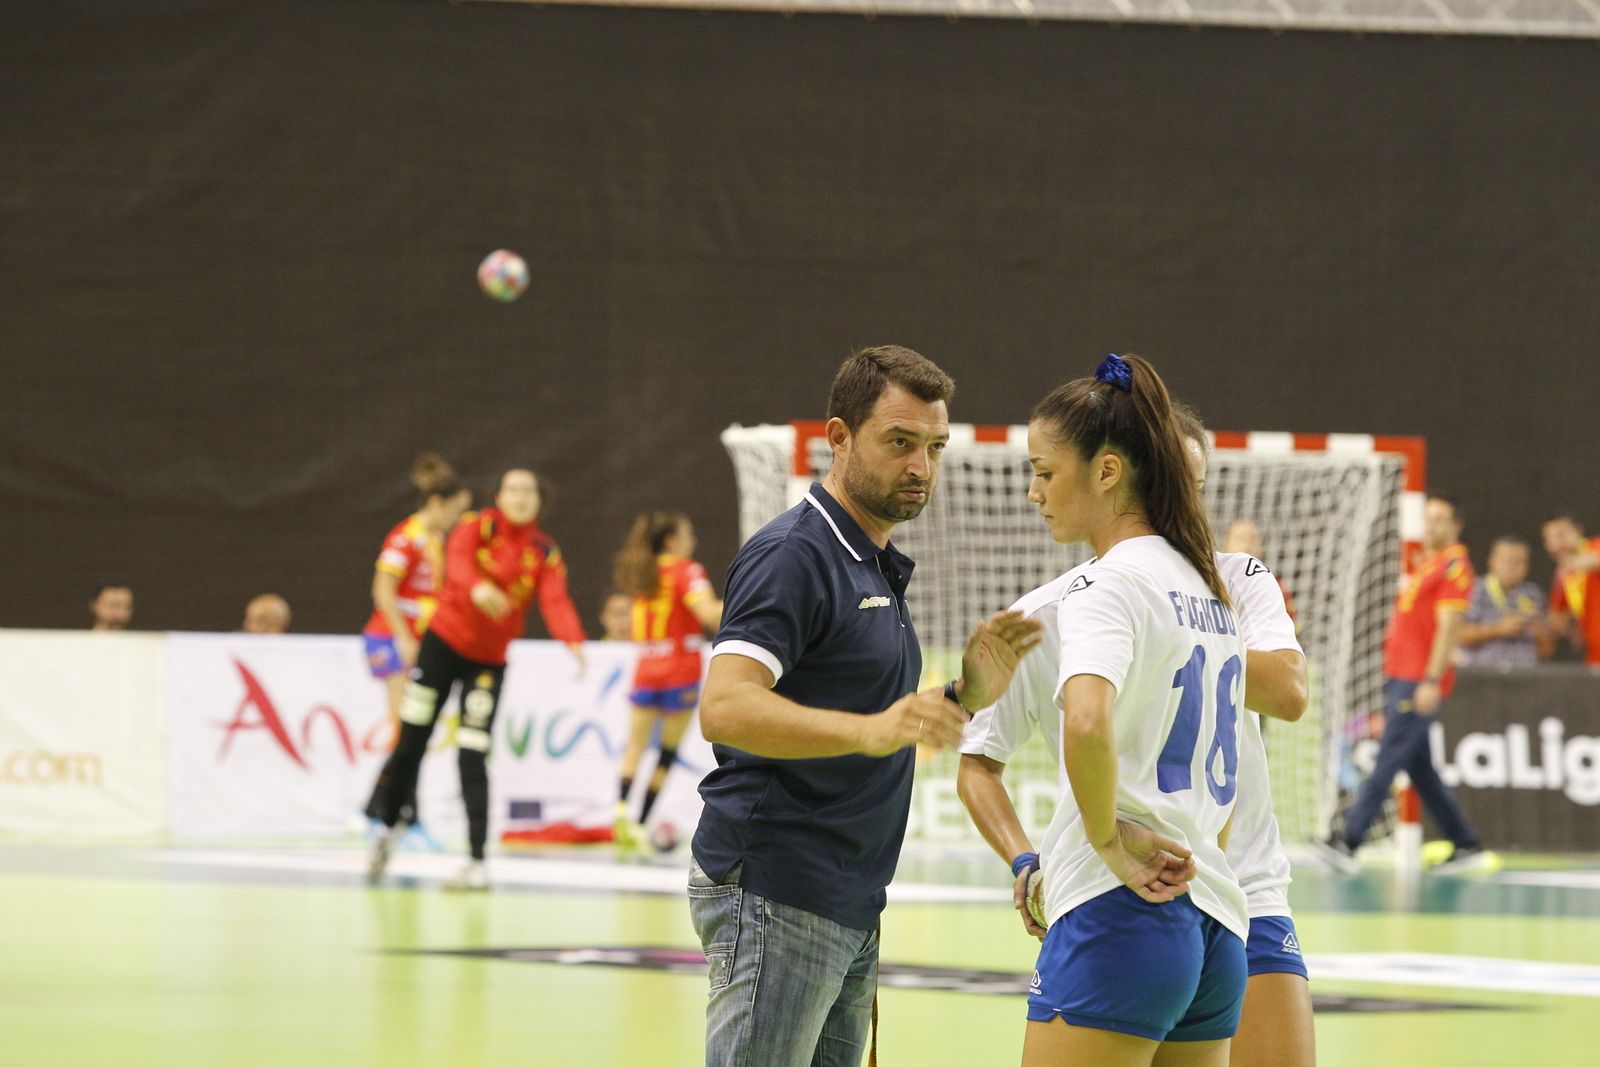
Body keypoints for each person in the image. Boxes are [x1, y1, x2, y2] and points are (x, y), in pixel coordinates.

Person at [689, 345, 1043, 1067]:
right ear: (840, 437)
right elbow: (724, 706)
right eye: (900, 442)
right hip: (779, 887)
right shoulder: (794, 554)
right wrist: (874, 729)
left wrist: (962, 697)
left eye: (934, 447)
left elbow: (872, 715)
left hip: (848, 898)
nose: (921, 466)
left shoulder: (871, 562)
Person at [959, 410, 1314, 1067]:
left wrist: (1105, 838)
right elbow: (977, 759)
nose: (1186, 502)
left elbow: (1288, 694)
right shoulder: (1068, 607)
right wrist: (1026, 860)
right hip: (1198, 894)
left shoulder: (1203, 584)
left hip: (1161, 891)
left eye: (1045, 472)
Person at [1016, 353, 1249, 1067]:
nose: (1033, 491)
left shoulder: (1106, 584)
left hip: (1121, 912)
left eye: (1045, 471)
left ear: (1107, 471)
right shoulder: (1209, 588)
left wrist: (1107, 841)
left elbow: (1086, 720)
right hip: (1214, 919)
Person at [367, 467, 586, 891]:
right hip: (440, 649)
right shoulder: (476, 527)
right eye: (513, 489)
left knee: (472, 753)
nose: (520, 497)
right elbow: (458, 563)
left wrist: (573, 640)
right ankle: (387, 830)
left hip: (487, 664)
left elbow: (555, 599)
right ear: (498, 496)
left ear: (540, 501)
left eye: (529, 491)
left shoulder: (544, 551)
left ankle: (476, 861)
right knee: (411, 742)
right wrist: (476, 589)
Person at [1315, 494, 1484, 874]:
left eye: (1440, 519)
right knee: (1420, 768)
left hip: (1417, 681)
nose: (1431, 525)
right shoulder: (1430, 564)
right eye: (1428, 518)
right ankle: (1465, 842)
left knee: (1388, 756)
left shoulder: (1455, 567)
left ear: (1456, 526)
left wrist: (1431, 680)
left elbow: (1449, 629)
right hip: (1403, 677)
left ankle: (1349, 840)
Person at [358, 454, 473, 840]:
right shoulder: (405, 537)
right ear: (437, 503)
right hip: (391, 640)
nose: (457, 520)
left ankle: (378, 811)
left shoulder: (437, 541)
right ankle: (402, 816)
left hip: (417, 641)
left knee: (413, 730)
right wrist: (403, 638)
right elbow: (382, 591)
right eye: (455, 511)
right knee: (407, 730)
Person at [611, 511, 723, 850]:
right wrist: (754, 604)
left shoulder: (644, 572)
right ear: (673, 541)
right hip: (679, 672)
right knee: (667, 752)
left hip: (646, 668)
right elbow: (708, 614)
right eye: (689, 535)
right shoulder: (687, 570)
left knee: (635, 746)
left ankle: (620, 812)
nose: (694, 541)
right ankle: (640, 824)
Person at [1458, 536, 1551, 668]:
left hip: (1525, 674)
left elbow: (1547, 651)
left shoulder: (1534, 594)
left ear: (1527, 566)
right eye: (1507, 561)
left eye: (1519, 562)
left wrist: (1538, 631)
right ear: (1492, 561)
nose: (1513, 567)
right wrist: (1498, 629)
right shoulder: (1474, 589)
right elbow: (1458, 635)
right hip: (1483, 673)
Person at [1542, 514, 1600, 667]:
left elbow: (1595, 559)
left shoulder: (1595, 546)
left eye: (1561, 535)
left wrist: (1575, 563)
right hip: (1593, 653)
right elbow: (1557, 617)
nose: (1556, 545)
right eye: (1549, 539)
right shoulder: (1563, 576)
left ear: (1578, 531)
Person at [1222, 519, 1297, 628]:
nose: (1247, 545)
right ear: (1225, 545)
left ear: (1260, 547)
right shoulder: (1213, 582)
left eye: (1252, 540)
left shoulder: (1277, 586)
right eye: (1240, 539)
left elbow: (1293, 630)